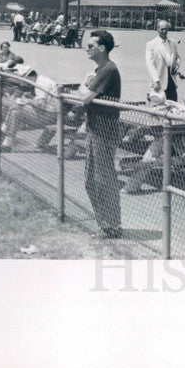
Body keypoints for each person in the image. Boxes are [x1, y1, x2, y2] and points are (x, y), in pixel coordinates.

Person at [68, 30, 123, 239]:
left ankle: (113, 225)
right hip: (94, 129)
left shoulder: (108, 69)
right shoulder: (100, 69)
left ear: (101, 48)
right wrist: (86, 86)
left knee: (104, 179)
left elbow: (86, 96)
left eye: (91, 45)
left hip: (105, 130)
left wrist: (83, 85)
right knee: (90, 180)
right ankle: (105, 224)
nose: (87, 48)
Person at [146, 19, 181, 101]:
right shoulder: (151, 44)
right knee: (158, 108)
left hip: (171, 80)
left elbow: (178, 58)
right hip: (159, 81)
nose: (164, 31)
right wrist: (156, 81)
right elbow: (150, 64)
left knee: (173, 106)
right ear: (157, 29)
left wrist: (177, 65)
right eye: (162, 29)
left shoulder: (173, 43)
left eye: (166, 29)